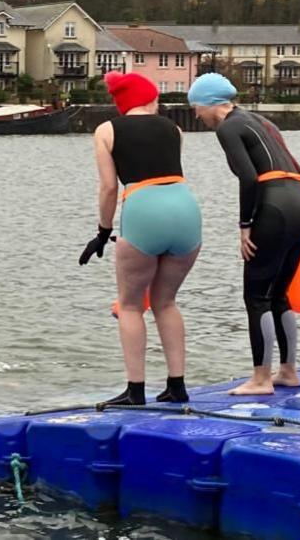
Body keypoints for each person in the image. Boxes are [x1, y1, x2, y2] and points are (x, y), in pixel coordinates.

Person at [188, 73, 300, 395]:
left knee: (256, 296)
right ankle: (288, 371)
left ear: (210, 104)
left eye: (196, 108)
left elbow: (248, 178)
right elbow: (293, 161)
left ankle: (260, 379)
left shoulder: (228, 127)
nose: (195, 115)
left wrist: (245, 226)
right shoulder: (258, 120)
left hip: (275, 207)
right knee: (279, 293)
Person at [79, 71, 202, 406]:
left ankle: (135, 390)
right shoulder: (174, 129)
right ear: (148, 98)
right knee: (167, 302)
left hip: (144, 208)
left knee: (131, 304)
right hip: (185, 209)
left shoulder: (106, 131)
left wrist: (103, 232)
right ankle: (177, 385)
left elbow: (108, 187)